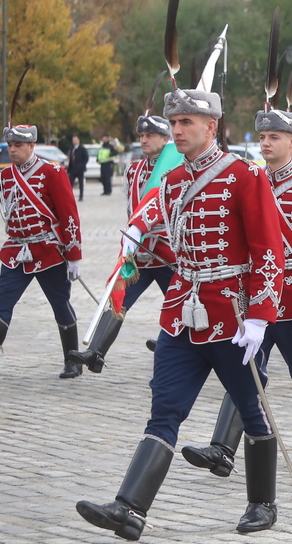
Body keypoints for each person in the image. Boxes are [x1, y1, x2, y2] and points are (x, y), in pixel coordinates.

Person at [76, 87, 285, 540]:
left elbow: (270, 249)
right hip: (180, 312)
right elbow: (165, 225)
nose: (177, 130)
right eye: (174, 123)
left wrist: (260, 316)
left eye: (187, 122)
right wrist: (136, 231)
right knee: (164, 410)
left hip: (232, 314)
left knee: (251, 411)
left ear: (211, 127)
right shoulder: (171, 181)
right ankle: (130, 508)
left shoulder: (245, 176)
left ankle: (263, 503)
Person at [182, 109, 292, 477]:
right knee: (246, 370)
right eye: (262, 137)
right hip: (253, 299)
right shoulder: (245, 181)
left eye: (274, 138)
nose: (265, 144)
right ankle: (222, 448)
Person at [68, 114, 176, 374]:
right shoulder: (133, 169)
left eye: (150, 136)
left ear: (165, 139)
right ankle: (96, 352)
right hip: (137, 253)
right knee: (117, 297)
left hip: (167, 253)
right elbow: (132, 207)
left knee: (182, 303)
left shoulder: (176, 168)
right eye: (141, 135)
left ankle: (180, 347)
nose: (144, 140)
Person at [0, 123, 82, 378]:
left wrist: (74, 255)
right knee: (2, 301)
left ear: (32, 146)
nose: (13, 150)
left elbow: (69, 214)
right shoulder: (5, 176)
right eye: (11, 145)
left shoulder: (52, 172)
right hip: (15, 250)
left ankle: (73, 360)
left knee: (59, 304)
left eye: (19, 145)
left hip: (48, 251)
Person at [68, 135, 88, 201]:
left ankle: (81, 196)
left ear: (78, 140)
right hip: (72, 169)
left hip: (80, 169)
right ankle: (70, 196)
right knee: (70, 183)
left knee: (80, 183)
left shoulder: (82, 148)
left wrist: (82, 166)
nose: (74, 141)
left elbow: (86, 158)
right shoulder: (72, 148)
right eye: (73, 140)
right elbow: (71, 158)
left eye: (75, 140)